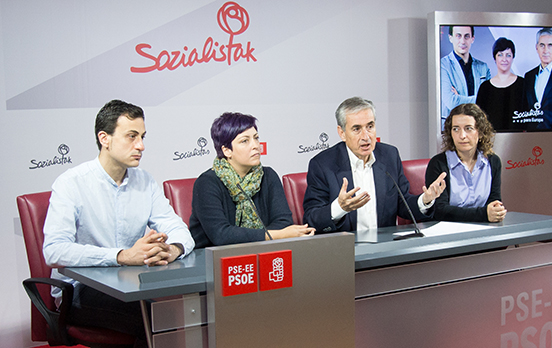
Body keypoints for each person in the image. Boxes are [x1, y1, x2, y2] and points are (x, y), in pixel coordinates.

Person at [43, 100, 195, 346]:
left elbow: (179, 229)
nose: (141, 146)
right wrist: (122, 256)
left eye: (143, 136)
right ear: (105, 138)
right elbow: (54, 250)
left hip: (129, 285)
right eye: (131, 136)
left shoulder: (144, 181)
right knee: (152, 318)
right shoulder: (71, 183)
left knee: (178, 308)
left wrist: (172, 249)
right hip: (78, 290)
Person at [302, 96, 447, 234]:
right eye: (357, 129)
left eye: (370, 126)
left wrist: (425, 200)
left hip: (385, 248)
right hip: (344, 249)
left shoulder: (389, 155)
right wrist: (340, 208)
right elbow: (311, 219)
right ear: (342, 133)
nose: (366, 136)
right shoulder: (323, 165)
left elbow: (403, 204)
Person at [189, 112, 314, 248]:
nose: (255, 145)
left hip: (264, 252)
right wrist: (274, 235)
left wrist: (265, 238)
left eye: (256, 138)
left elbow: (283, 222)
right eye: (245, 141)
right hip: (212, 259)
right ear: (227, 151)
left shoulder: (268, 175)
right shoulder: (207, 183)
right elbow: (221, 235)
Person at [425, 103, 506, 222]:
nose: (462, 136)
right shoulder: (438, 164)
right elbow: (439, 211)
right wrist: (483, 214)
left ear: (480, 132)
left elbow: (494, 203)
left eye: (468, 128)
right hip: (449, 231)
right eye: (456, 129)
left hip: (485, 229)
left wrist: (496, 212)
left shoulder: (493, 162)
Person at [441, 26, 491, 130]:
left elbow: (490, 101)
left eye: (466, 36)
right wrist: (480, 98)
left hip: (478, 127)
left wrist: (460, 98)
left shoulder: (483, 67)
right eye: (458, 36)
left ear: (472, 38)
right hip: (452, 129)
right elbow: (451, 101)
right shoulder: (442, 65)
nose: (462, 41)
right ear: (451, 38)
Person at [476, 37, 524, 131]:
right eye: (500, 55)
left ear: (513, 57)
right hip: (490, 142)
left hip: (518, 140)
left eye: (508, 55)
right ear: (495, 58)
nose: (504, 59)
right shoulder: (485, 88)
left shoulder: (523, 84)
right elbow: (478, 119)